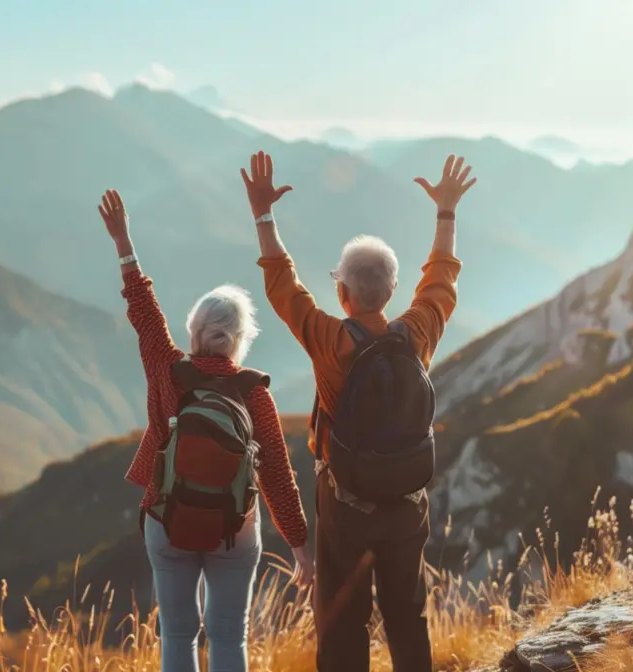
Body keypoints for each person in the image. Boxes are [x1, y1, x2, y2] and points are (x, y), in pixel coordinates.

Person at [240, 151, 475, 671]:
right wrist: (446, 211)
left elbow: (283, 286)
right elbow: (441, 279)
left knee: (344, 620)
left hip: (345, 501)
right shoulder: (416, 333)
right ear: (393, 291)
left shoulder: (332, 342)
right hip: (407, 499)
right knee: (406, 615)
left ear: (343, 294)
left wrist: (263, 214)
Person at [98, 188, 314, 672]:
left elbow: (143, 311)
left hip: (167, 515)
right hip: (235, 526)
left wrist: (123, 241)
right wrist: (300, 545)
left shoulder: (167, 369)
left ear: (194, 333)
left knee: (177, 633)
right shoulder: (254, 392)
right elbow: (278, 473)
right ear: (241, 341)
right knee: (229, 635)